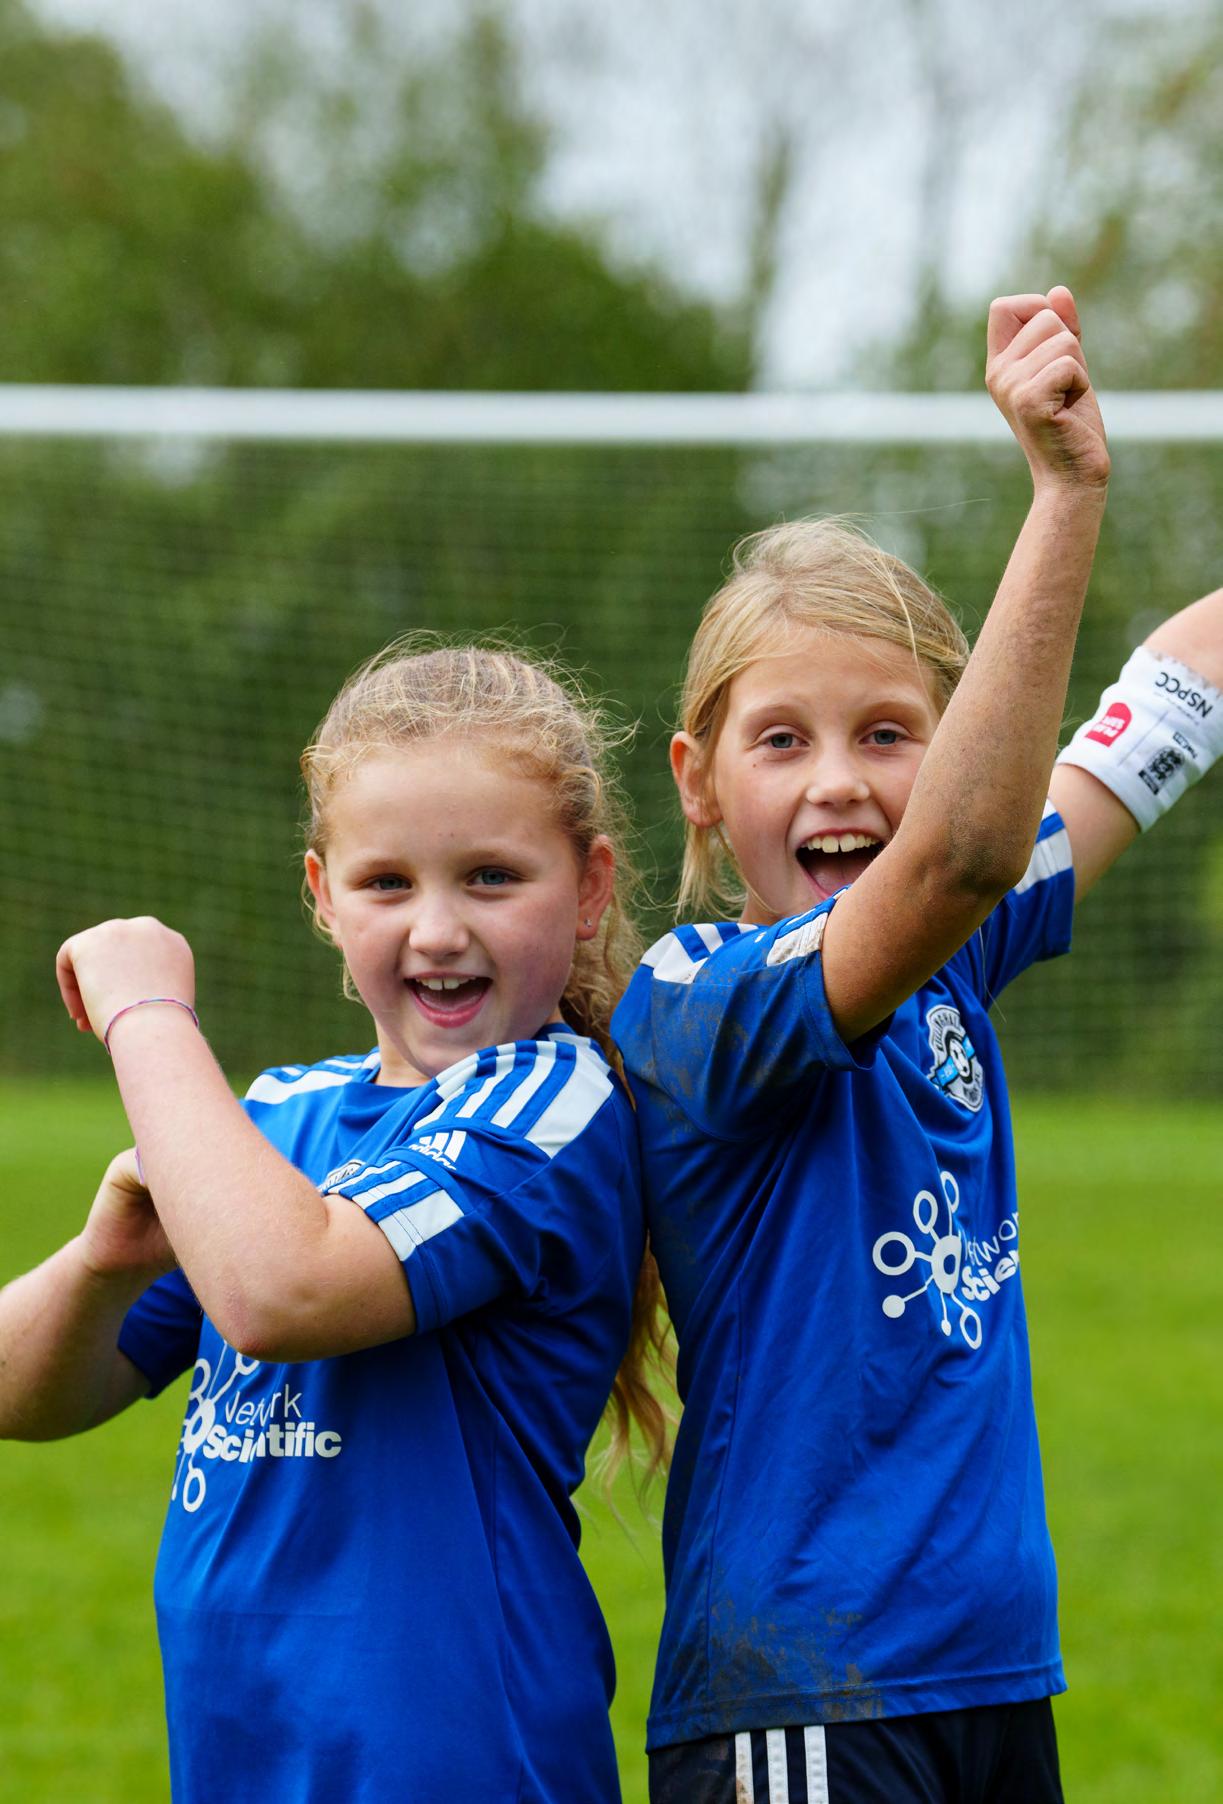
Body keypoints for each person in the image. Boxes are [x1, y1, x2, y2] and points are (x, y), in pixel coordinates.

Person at [613, 288, 1223, 1803]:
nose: (837, 781)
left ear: (954, 751)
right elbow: (954, 858)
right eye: (780, 740)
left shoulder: (956, 961)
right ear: (696, 780)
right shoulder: (690, 999)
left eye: (889, 734)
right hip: (803, 1698)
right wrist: (1065, 492)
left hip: (987, 1677)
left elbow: (1168, 703)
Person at [0, 644, 663, 1804]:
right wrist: (105, 1263)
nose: (437, 929)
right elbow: (25, 1393)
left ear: (589, 885)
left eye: (491, 877)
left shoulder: (550, 1102)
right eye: (386, 883)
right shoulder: (274, 1118)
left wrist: (147, 1013)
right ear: (321, 893)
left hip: (451, 1764)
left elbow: (282, 1292)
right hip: (243, 1754)